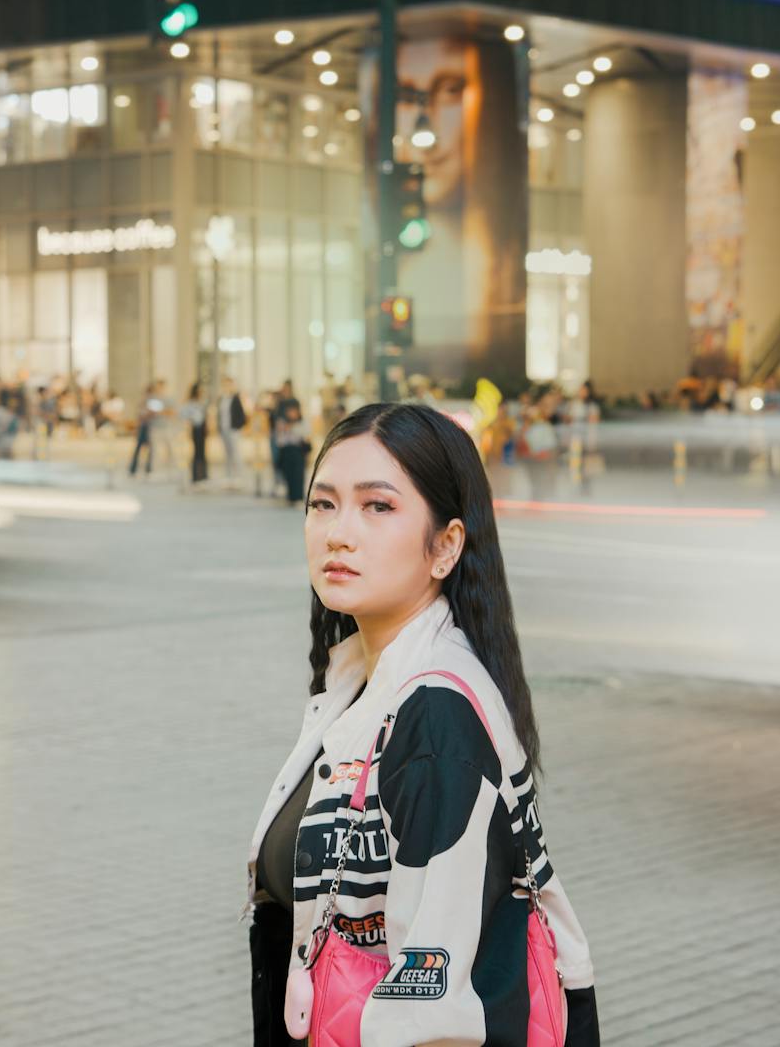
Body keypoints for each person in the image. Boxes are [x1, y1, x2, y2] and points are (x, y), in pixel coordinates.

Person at [247, 402, 598, 1046]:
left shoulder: (435, 716)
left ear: (445, 546)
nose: (338, 533)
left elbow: (428, 992)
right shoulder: (360, 682)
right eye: (322, 504)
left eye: (377, 507)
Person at [272, 399, 311, 506]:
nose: (292, 413)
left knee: (298, 474)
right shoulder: (281, 422)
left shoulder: (303, 422)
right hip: (286, 451)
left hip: (298, 450)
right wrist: (283, 430)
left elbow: (306, 434)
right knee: (288, 474)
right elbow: (279, 440)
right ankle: (290, 497)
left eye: (294, 411)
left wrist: (292, 428)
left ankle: (298, 497)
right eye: (289, 411)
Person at [219, 376, 248, 483]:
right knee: (227, 454)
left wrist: (239, 427)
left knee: (236, 453)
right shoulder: (221, 398)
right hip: (224, 429)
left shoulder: (236, 398)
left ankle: (240, 476)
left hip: (234, 430)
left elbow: (241, 415)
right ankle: (229, 477)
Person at [183, 380, 209, 485]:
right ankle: (196, 476)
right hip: (195, 428)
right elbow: (184, 415)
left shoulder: (202, 401)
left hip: (203, 428)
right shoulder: (190, 403)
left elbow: (205, 415)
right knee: (197, 452)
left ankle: (203, 475)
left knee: (203, 452)